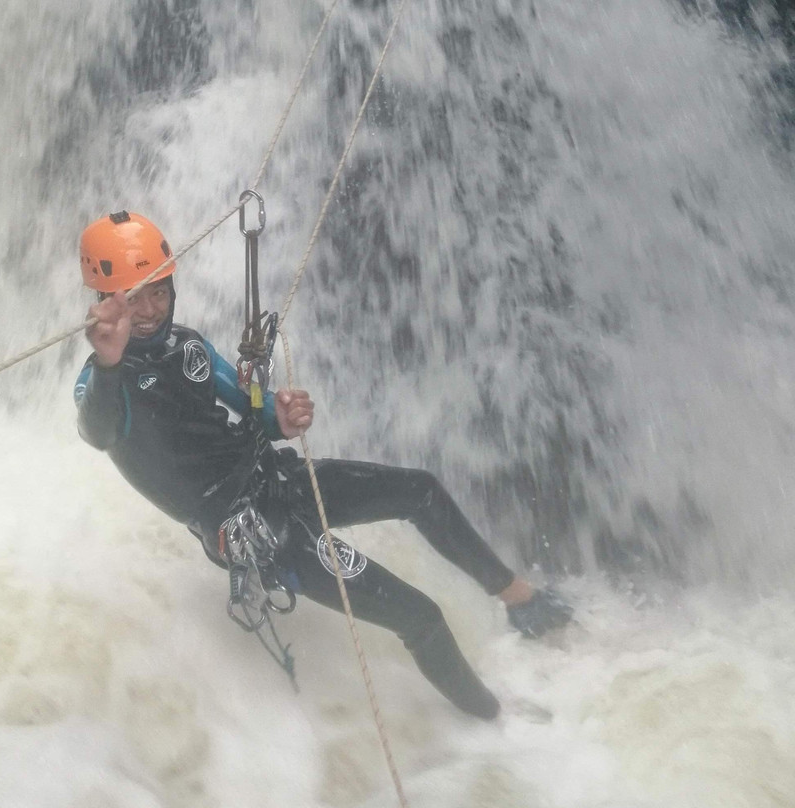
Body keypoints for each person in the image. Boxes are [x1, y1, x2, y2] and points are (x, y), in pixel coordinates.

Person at [74, 210, 571, 720]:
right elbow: (97, 430)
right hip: (255, 530)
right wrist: (110, 364)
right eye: (133, 299)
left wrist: (282, 416)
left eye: (159, 291)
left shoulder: (189, 346)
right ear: (104, 302)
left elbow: (252, 408)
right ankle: (497, 719)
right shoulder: (101, 382)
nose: (151, 309)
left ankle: (518, 598)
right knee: (421, 617)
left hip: (275, 478)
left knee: (420, 490)